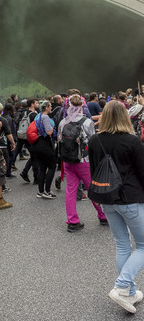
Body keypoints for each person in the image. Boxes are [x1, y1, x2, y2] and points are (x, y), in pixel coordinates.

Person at [88, 100, 144, 313]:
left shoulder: (95, 140)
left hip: (107, 198)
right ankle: (121, 287)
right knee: (142, 245)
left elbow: (95, 170)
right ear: (124, 116)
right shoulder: (131, 141)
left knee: (122, 244)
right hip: (130, 198)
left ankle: (129, 292)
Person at [57, 95, 107, 232]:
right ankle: (103, 215)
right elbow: (92, 141)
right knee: (93, 189)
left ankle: (72, 220)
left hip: (68, 160)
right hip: (84, 161)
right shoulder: (87, 122)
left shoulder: (63, 123)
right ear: (82, 107)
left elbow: (59, 139)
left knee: (70, 190)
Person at [31, 101, 57, 198]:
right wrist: (53, 128)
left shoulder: (37, 116)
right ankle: (47, 191)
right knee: (52, 166)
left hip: (37, 143)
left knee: (42, 168)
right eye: (50, 106)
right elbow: (49, 132)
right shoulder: (45, 117)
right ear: (46, 108)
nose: (51, 108)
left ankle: (40, 191)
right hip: (45, 143)